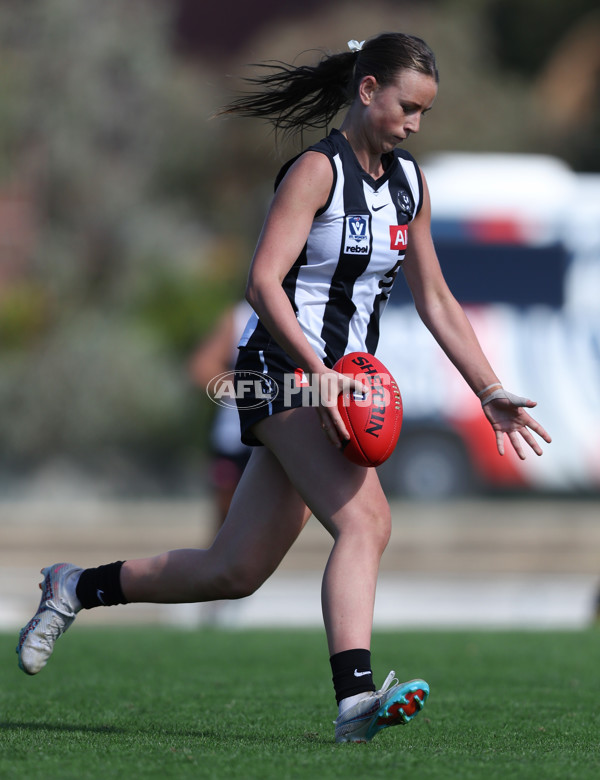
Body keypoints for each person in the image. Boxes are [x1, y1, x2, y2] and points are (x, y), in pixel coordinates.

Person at [16, 33, 551, 743]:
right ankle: (355, 700)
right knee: (367, 523)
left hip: (338, 389)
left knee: (232, 571)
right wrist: (319, 373)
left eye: (424, 112)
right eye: (407, 107)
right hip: (281, 372)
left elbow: (438, 300)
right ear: (367, 90)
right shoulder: (315, 172)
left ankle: (74, 586)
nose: (415, 124)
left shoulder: (410, 185)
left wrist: (487, 388)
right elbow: (262, 283)